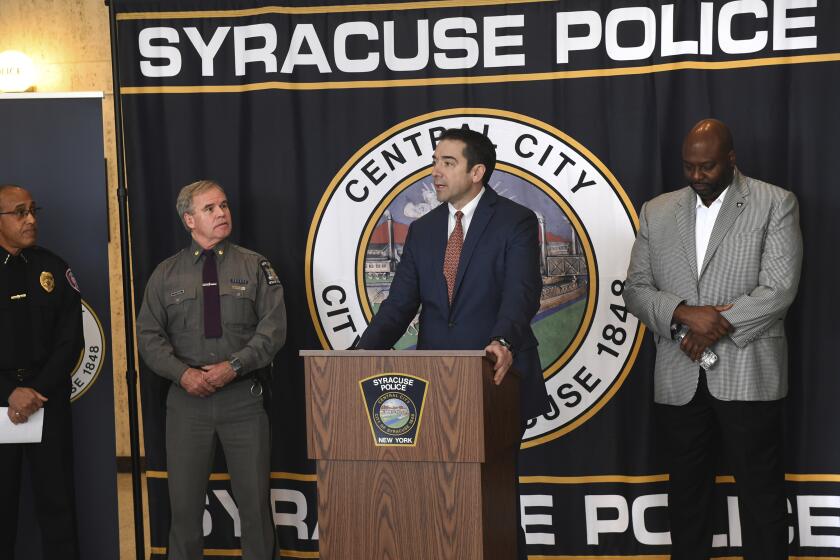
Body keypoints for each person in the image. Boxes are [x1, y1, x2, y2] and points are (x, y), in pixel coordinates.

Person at [624, 119, 802, 559]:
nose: (697, 176)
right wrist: (685, 315)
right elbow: (635, 289)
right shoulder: (657, 210)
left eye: (706, 167)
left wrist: (710, 330)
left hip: (749, 372)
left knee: (761, 497)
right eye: (689, 168)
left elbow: (779, 289)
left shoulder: (774, 202)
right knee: (685, 500)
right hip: (678, 378)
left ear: (730, 160)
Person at [137, 180, 286, 560]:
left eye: (224, 205)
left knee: (254, 510)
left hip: (242, 401)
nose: (221, 213)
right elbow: (149, 337)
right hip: (187, 404)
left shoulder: (255, 266)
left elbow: (273, 330)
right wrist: (182, 374)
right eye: (209, 209)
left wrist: (234, 366)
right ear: (189, 219)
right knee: (184, 513)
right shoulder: (165, 275)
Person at [356, 128, 549, 420]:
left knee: (493, 467)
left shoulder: (515, 221)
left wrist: (503, 341)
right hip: (433, 381)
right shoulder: (422, 230)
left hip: (495, 377)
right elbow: (398, 305)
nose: (435, 172)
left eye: (448, 163)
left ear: (477, 172)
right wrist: (360, 353)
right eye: (435, 162)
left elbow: (521, 292)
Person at [0, 184, 83, 558]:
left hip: (46, 403)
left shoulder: (54, 267)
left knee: (58, 507)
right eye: (19, 212)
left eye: (33, 210)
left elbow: (70, 341)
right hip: (0, 405)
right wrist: (9, 393)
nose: (30, 219)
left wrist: (35, 393)